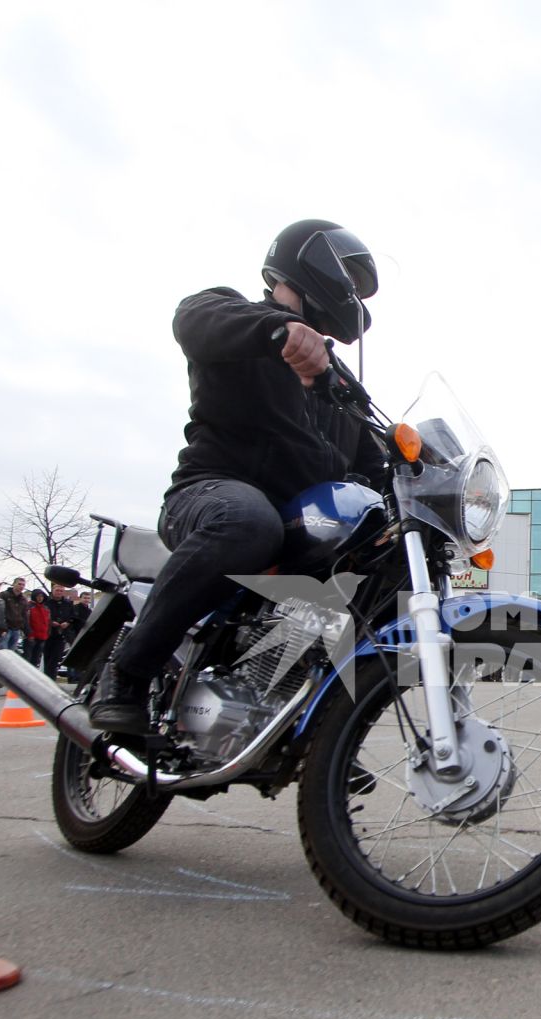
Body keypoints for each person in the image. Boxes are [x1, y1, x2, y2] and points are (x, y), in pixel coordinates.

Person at [92, 218, 382, 736]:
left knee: (376, 559)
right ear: (313, 267)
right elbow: (194, 319)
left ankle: (324, 732)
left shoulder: (338, 384)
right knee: (248, 522)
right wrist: (278, 332)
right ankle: (127, 672)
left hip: (297, 526)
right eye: (350, 283)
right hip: (210, 495)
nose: (354, 298)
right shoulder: (238, 319)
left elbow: (373, 466)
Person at [26, 589, 52, 666]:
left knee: (36, 659)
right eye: (38, 596)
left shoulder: (46, 608)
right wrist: (29, 634)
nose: (40, 598)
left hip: (42, 637)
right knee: (28, 658)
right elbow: (26, 621)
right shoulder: (29, 607)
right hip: (31, 636)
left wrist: (47, 634)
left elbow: (48, 622)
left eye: (42, 596)